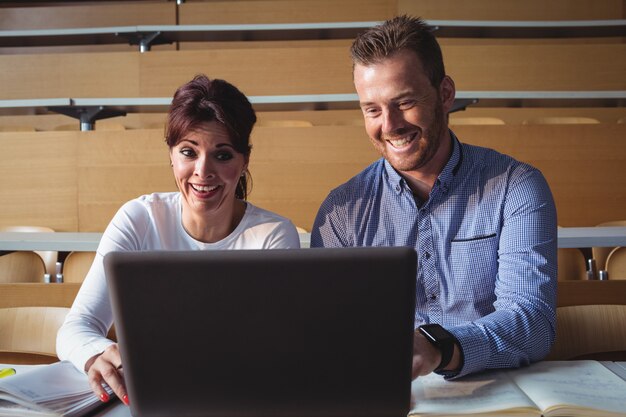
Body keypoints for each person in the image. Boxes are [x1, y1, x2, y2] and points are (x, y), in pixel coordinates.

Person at [311, 16, 557, 379]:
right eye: (372, 109)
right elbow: (327, 330)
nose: (390, 125)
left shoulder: (516, 187)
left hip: (501, 396)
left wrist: (440, 348)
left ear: (445, 94)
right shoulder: (340, 213)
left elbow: (533, 322)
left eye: (405, 102)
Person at [57, 75, 300, 404]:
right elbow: (76, 327)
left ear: (244, 161)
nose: (203, 171)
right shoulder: (139, 218)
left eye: (223, 155)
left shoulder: (274, 236)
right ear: (171, 155)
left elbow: (270, 351)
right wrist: (101, 354)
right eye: (189, 152)